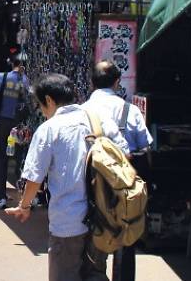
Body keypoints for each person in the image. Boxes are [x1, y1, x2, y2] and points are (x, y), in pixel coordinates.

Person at [6, 73, 129, 281]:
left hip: (68, 221)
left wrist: (24, 206)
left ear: (49, 100)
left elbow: (35, 177)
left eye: (41, 106)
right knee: (95, 274)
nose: (42, 112)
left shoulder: (49, 129)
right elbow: (125, 154)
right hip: (102, 218)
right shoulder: (98, 120)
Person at [83, 61, 153, 281]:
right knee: (126, 236)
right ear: (116, 82)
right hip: (124, 188)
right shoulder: (130, 110)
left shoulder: (82, 110)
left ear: (91, 83)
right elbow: (145, 144)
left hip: (92, 188)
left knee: (94, 241)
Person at [0, 54, 30, 209]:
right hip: (18, 124)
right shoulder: (25, 80)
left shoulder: (1, 77)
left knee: (1, 158)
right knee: (18, 159)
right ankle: (22, 197)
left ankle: (1, 197)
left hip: (3, 122)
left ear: (12, 63)